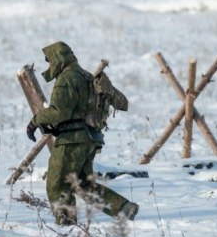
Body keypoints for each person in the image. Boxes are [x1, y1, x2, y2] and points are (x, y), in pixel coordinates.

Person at [27, 41, 139, 226]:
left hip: (72, 141)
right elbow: (83, 110)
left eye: (50, 61)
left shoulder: (68, 78)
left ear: (58, 59)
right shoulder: (87, 76)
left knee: (57, 183)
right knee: (82, 184)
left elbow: (59, 111)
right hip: (90, 140)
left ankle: (66, 225)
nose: (49, 67)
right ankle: (123, 208)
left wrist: (35, 121)